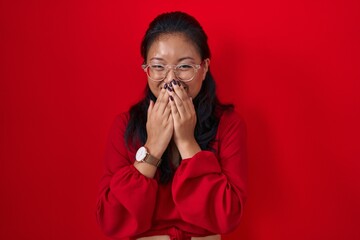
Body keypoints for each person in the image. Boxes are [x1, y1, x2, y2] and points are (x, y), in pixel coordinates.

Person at [96, 11, 248, 240]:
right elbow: (110, 220)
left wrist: (187, 143)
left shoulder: (229, 125)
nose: (170, 79)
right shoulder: (124, 126)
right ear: (146, 69)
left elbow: (227, 216)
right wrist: (153, 146)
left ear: (204, 68)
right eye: (158, 66)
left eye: (184, 67)